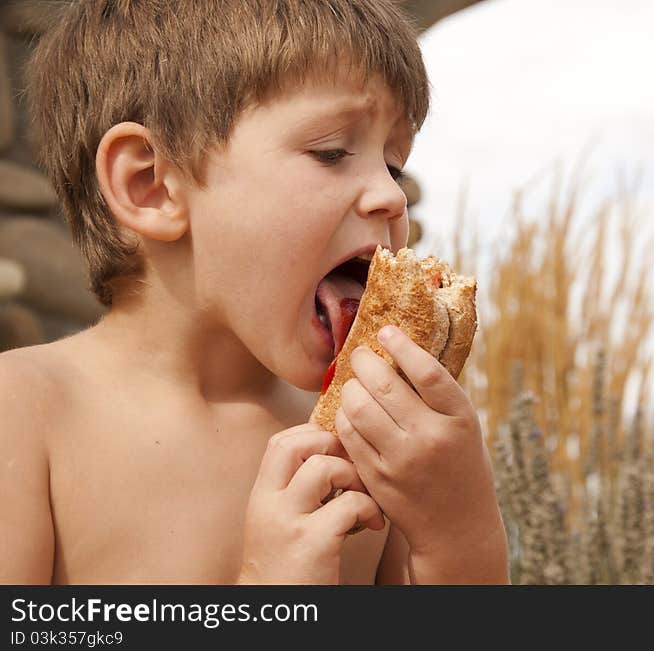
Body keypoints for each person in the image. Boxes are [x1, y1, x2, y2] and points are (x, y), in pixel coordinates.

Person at [0, 0, 508, 585]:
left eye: (394, 166)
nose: (391, 198)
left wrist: (460, 536)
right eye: (331, 152)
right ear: (151, 185)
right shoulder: (27, 415)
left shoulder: (367, 440)